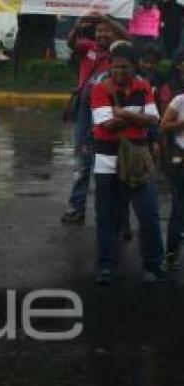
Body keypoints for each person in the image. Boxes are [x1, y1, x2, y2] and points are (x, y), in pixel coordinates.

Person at [89, 44, 165, 285]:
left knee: (149, 213)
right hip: (106, 161)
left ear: (135, 67)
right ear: (109, 66)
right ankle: (106, 266)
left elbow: (153, 120)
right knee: (106, 216)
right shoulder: (99, 88)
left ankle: (153, 263)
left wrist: (119, 112)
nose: (119, 71)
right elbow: (106, 126)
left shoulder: (143, 87)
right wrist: (136, 117)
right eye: (115, 66)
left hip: (136, 160)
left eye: (124, 67)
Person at [61, 15, 129, 224]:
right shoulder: (87, 48)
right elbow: (71, 43)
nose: (102, 35)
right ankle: (76, 207)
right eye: (99, 31)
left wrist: (104, 18)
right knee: (83, 162)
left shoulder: (117, 53)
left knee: (112, 163)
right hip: (84, 111)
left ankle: (113, 214)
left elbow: (128, 36)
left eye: (106, 31)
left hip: (108, 111)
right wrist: (78, 24)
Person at [161, 82, 184, 271]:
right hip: (181, 159)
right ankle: (171, 252)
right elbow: (164, 126)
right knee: (179, 206)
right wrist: (182, 124)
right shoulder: (180, 100)